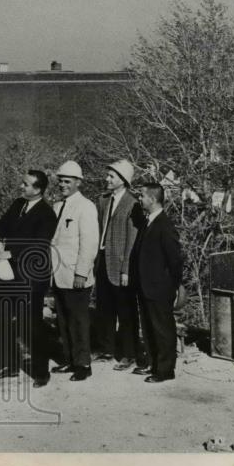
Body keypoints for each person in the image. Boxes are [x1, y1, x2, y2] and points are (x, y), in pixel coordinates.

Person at [0, 170, 58, 387]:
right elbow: (2, 223)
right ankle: (9, 365)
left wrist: (12, 253)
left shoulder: (47, 213)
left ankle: (41, 372)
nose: (21, 186)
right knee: (1, 318)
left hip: (32, 277)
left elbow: (39, 245)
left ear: (38, 189)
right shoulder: (18, 204)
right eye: (22, 183)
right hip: (10, 274)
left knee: (32, 325)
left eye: (26, 184)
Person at [49, 161, 100, 383]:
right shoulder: (57, 206)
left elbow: (89, 243)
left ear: (78, 183)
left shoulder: (86, 207)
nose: (62, 185)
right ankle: (69, 359)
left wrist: (81, 273)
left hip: (76, 275)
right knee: (63, 320)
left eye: (67, 181)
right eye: (60, 181)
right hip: (57, 274)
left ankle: (83, 364)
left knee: (79, 321)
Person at [94, 159, 146, 371]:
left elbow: (132, 241)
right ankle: (107, 349)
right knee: (104, 310)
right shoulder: (103, 201)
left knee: (126, 313)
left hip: (121, 267)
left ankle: (129, 354)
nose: (107, 179)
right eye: (108, 175)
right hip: (103, 264)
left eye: (111, 176)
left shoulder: (132, 203)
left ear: (123, 181)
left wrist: (126, 270)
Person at [131, 181, 184, 383]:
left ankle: (165, 370)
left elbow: (175, 260)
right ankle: (153, 365)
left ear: (152, 199)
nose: (140, 199)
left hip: (160, 289)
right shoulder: (148, 222)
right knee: (149, 328)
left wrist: (172, 286)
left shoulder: (164, 225)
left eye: (142, 196)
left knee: (163, 330)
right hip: (145, 287)